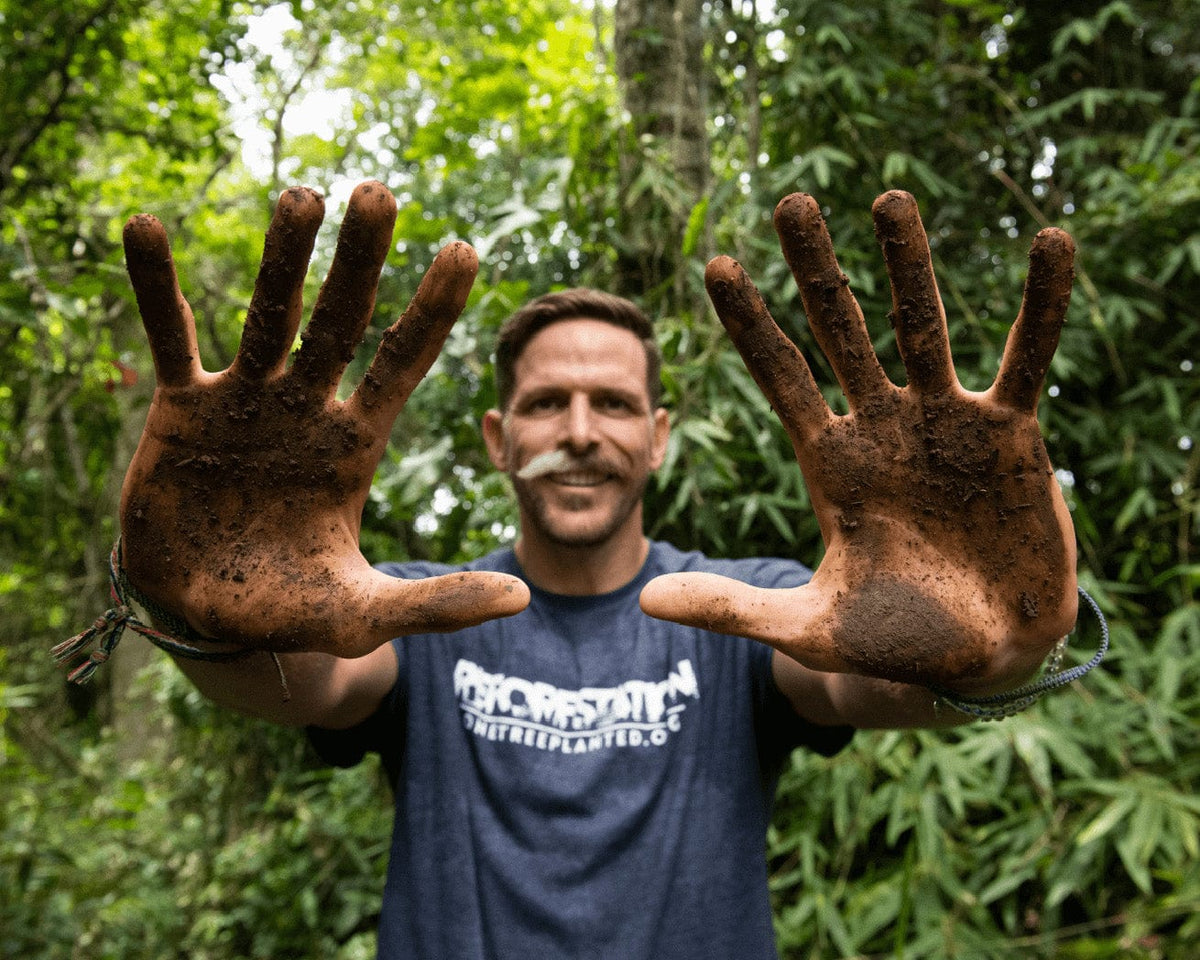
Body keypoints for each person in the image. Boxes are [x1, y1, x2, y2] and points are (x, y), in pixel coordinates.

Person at [60, 180, 1097, 958]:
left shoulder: (747, 611)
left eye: (611, 405)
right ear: (496, 438)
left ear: (658, 437)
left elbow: (856, 677)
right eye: (547, 404)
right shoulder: (415, 612)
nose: (580, 431)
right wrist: (198, 606)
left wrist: (1002, 654)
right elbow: (314, 680)